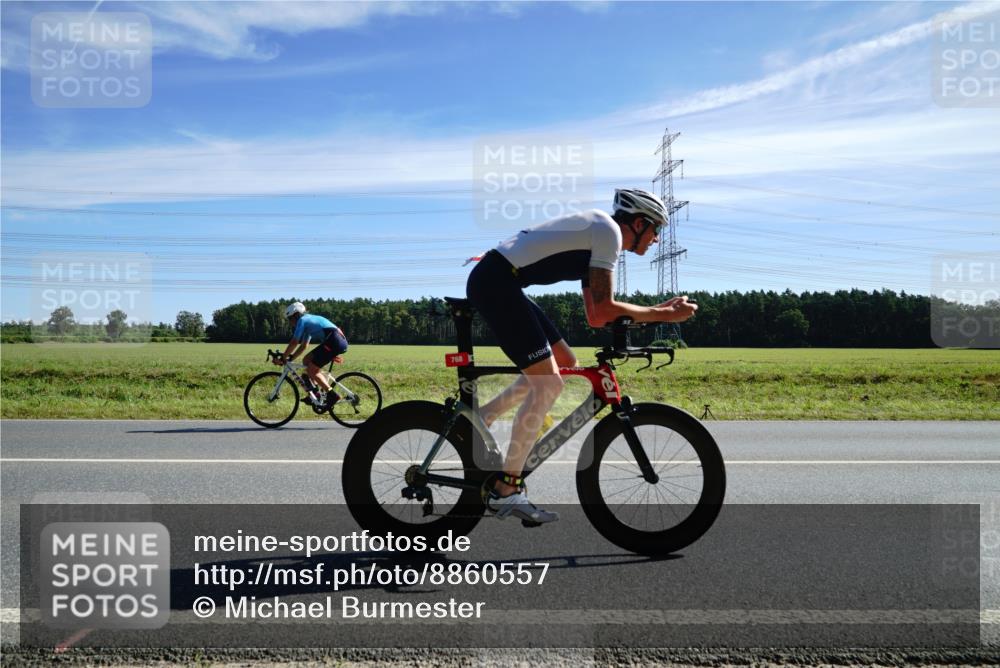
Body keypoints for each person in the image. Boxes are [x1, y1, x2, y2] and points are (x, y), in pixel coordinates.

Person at [466, 188, 698, 524]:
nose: (657, 239)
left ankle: (484, 417)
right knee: (548, 385)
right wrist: (664, 315)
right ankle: (506, 489)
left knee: (565, 362)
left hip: (501, 281)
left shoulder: (601, 234)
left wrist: (658, 312)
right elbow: (604, 310)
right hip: (496, 283)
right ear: (638, 223)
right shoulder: (608, 233)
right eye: (656, 229)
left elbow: (596, 316)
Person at [274, 302, 348, 409]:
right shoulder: (308, 322)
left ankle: (332, 395)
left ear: (296, 315)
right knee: (306, 360)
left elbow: (294, 342)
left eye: (290, 319)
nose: (290, 322)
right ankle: (316, 394)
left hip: (334, 341)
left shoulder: (302, 321)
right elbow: (303, 346)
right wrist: (291, 358)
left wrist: (283, 357)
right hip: (335, 340)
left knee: (312, 370)